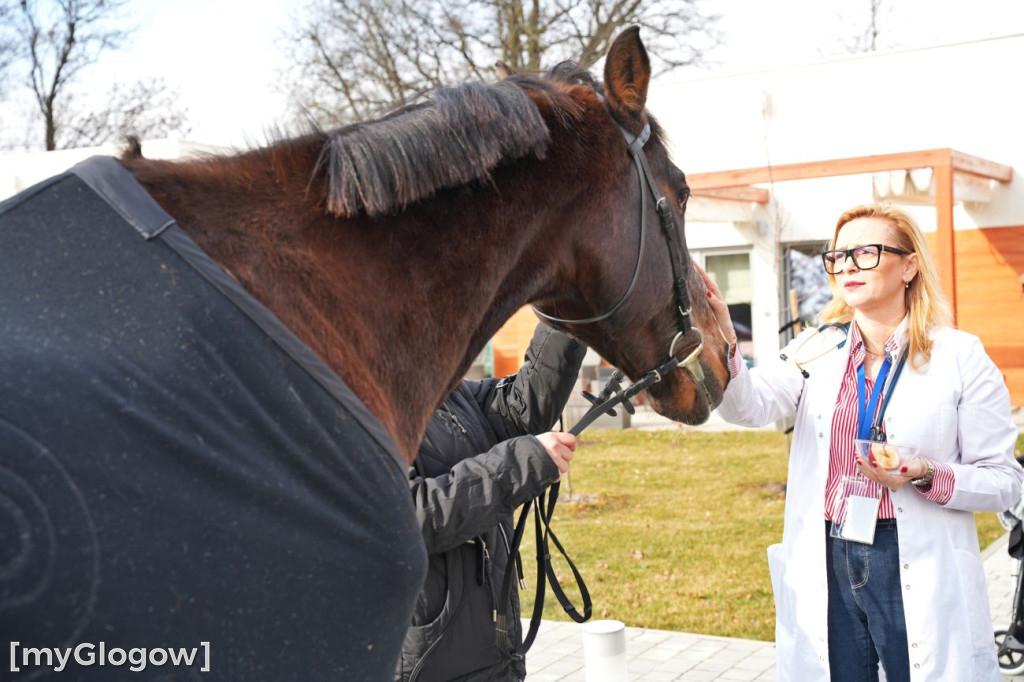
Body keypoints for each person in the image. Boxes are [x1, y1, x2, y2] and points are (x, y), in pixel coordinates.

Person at [700, 203, 1023, 681]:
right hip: (828, 554)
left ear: (909, 266)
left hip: (909, 555)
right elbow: (748, 406)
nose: (847, 265)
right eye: (838, 256)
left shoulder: (960, 356)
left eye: (865, 253)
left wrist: (926, 473)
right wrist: (723, 333)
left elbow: (1005, 482)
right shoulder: (817, 346)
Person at [396, 321, 586, 682]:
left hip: (494, 653)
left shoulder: (448, 393)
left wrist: (567, 320)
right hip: (430, 666)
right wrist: (522, 462)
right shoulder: (358, 403)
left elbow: (518, 411)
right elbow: (407, 515)